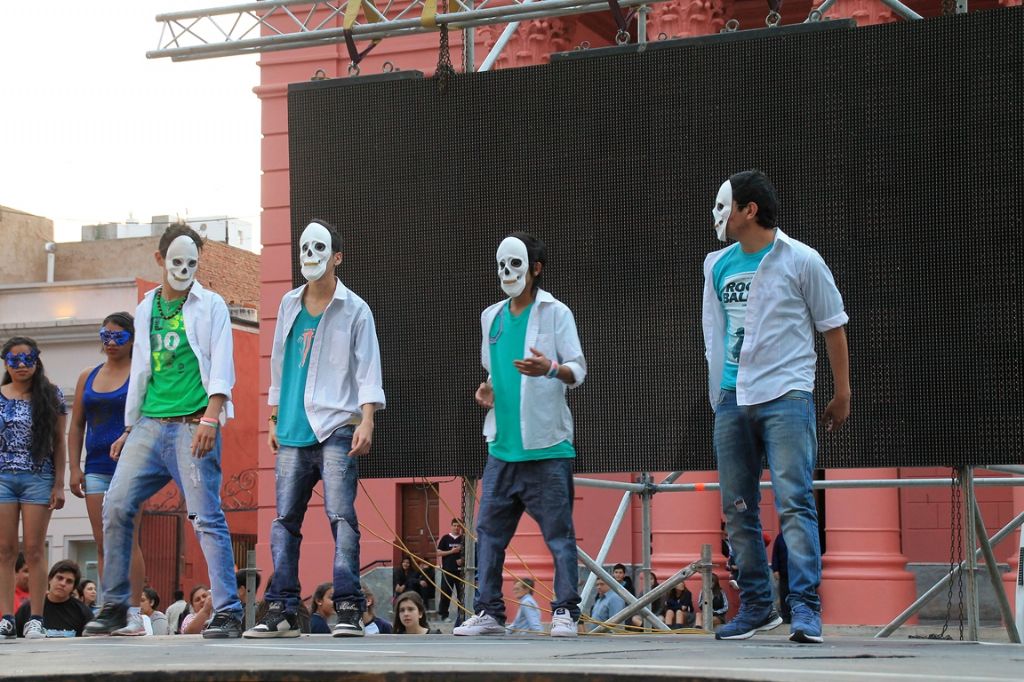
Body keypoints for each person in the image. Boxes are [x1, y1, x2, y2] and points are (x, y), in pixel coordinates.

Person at [703, 170, 849, 644]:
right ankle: (757, 607)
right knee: (737, 508)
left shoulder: (801, 259)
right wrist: (718, 394)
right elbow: (716, 331)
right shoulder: (716, 266)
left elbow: (832, 324)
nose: (717, 215)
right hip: (733, 397)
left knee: (795, 501)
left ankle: (804, 607)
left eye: (725, 206)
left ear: (749, 210)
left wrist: (842, 392)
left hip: (786, 394)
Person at [86, 224, 244, 639]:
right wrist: (130, 428)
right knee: (116, 505)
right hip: (149, 424)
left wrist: (211, 417)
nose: (184, 269)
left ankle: (228, 610)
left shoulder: (210, 305)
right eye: (176, 261)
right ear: (160, 259)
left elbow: (222, 363)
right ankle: (115, 606)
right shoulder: (145, 308)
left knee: (205, 517)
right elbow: (142, 369)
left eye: (192, 262)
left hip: (193, 422)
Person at [244, 220, 385, 641]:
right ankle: (283, 611)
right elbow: (278, 362)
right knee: (284, 521)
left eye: (319, 248)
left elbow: (368, 367)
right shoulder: (289, 303)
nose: (310, 255)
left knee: (342, 518)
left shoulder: (355, 308)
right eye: (305, 248)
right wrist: (273, 417)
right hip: (291, 428)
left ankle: (349, 609)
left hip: (336, 425)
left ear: (337, 257)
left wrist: (367, 419)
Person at [455, 232, 587, 639]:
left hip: (547, 448)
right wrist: (487, 390)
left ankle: (565, 611)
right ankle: (489, 612)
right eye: (501, 264)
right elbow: (493, 372)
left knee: (559, 536)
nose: (506, 272)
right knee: (488, 534)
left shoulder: (556, 313)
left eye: (515, 264)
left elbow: (577, 370)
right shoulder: (491, 317)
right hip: (502, 448)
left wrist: (551, 368)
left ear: (536, 268)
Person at [67, 312, 147, 632]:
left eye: (119, 337)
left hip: (131, 464)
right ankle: (110, 607)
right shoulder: (87, 376)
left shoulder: (141, 373)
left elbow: (147, 417)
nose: (111, 343)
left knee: (129, 539)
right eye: (106, 336)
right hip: (96, 466)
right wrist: (75, 467)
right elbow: (76, 425)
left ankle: (133, 611)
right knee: (102, 542)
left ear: (132, 340)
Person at [0, 336, 67, 641]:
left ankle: (36, 619)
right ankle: (6, 617)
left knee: (34, 549)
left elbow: (60, 442)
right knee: (5, 550)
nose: (21, 365)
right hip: (3, 477)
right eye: (14, 360)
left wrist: (59, 484)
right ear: (6, 364)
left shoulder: (51, 395)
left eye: (27, 359)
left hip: (38, 477)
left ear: (37, 361)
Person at [15, 560, 93, 638]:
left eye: (69, 581)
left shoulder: (83, 612)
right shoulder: (29, 608)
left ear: (73, 587)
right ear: (50, 579)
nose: (63, 583)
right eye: (59, 578)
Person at [436, 518, 464, 621]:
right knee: (446, 592)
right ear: (451, 526)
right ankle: (444, 615)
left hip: (460, 571)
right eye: (455, 525)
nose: (456, 528)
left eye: (458, 526)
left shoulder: (463, 539)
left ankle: (461, 615)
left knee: (461, 594)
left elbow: (470, 554)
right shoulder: (445, 538)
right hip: (447, 570)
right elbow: (438, 553)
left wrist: (463, 560)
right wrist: (451, 552)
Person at [771, 532, 791, 624]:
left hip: (798, 572)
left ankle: (797, 616)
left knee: (798, 594)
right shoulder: (780, 537)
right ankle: (786, 617)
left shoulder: (800, 534)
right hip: (784, 572)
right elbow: (775, 554)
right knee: (784, 595)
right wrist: (775, 569)